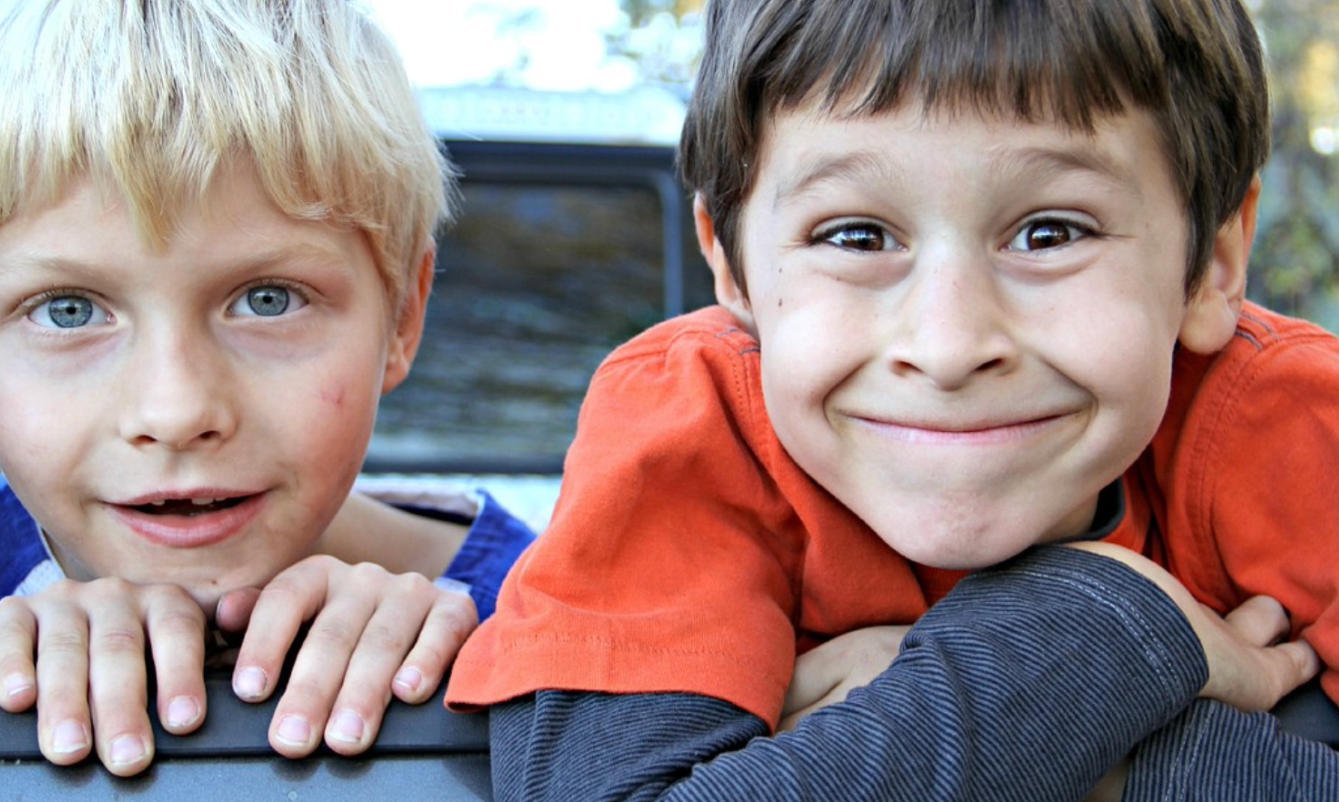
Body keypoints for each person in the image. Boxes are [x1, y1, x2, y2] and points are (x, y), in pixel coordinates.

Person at [446, 0, 1339, 797]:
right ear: (733, 265)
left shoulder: (1287, 426)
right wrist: (1096, 631)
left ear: (1214, 261)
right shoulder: (696, 424)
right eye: (857, 235)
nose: (947, 347)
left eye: (1049, 232)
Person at [0, 0, 534, 778]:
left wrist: (466, 675)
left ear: (404, 316)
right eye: (68, 311)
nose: (175, 413)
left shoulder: (558, 623)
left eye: (267, 299)